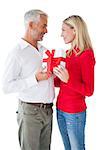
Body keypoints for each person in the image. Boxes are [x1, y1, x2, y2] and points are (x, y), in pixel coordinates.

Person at [2, 9, 55, 150]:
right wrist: (35, 79)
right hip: (31, 112)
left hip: (48, 111)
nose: (46, 30)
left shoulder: (44, 50)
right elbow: (6, 87)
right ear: (31, 25)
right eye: (44, 26)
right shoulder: (17, 52)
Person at [53, 15, 95, 150]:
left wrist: (68, 80)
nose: (61, 34)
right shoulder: (68, 53)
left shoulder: (86, 55)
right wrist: (51, 76)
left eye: (64, 30)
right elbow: (63, 83)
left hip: (74, 113)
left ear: (75, 30)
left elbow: (89, 90)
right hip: (60, 109)